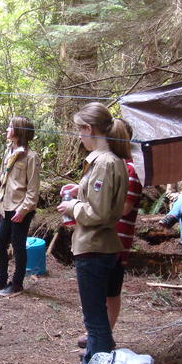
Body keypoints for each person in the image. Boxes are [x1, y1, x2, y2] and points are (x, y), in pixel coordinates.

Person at [52, 102, 129, 364]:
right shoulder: (107, 161)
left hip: (95, 249)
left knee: (95, 322)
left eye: (79, 130)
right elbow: (100, 201)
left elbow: (98, 213)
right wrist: (79, 191)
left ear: (89, 128)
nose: (79, 136)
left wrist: (72, 206)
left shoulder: (105, 162)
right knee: (96, 321)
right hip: (99, 248)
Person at [76, 120, 142, 350]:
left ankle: (104, 336)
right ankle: (98, 336)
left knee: (110, 292)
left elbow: (121, 208)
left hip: (115, 239)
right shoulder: (113, 163)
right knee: (101, 294)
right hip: (105, 238)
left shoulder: (125, 167)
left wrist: (79, 207)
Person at [0, 116, 41, 296]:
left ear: (19, 131)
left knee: (18, 246)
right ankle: (1, 280)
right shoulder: (9, 150)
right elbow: (3, 180)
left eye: (10, 126)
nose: (7, 129)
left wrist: (23, 210)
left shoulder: (31, 157)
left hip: (21, 208)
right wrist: (0, 206)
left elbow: (33, 189)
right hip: (6, 206)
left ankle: (16, 284)